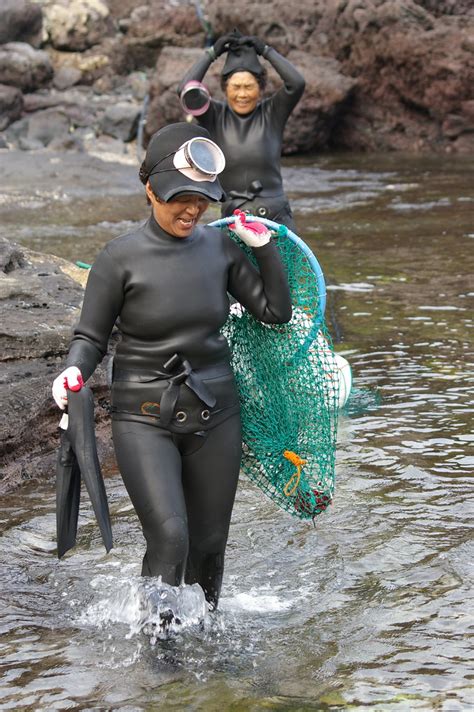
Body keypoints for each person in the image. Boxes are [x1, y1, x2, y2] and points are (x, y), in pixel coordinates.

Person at [51, 122, 292, 617]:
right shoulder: (119, 257)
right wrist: (73, 372)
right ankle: (161, 656)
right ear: (150, 189)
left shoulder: (221, 248)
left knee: (209, 541)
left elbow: (275, 312)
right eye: (180, 196)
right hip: (143, 415)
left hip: (217, 412)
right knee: (171, 535)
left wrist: (263, 247)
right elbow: (90, 338)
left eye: (202, 198)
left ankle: (205, 635)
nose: (191, 208)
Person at [177, 30, 305, 231]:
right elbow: (186, 91)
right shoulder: (214, 116)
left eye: (248, 86)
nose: (242, 94)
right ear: (225, 88)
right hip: (233, 218)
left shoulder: (272, 112)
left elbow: (297, 84)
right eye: (236, 87)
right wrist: (212, 53)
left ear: (260, 88)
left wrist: (266, 50)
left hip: (275, 216)